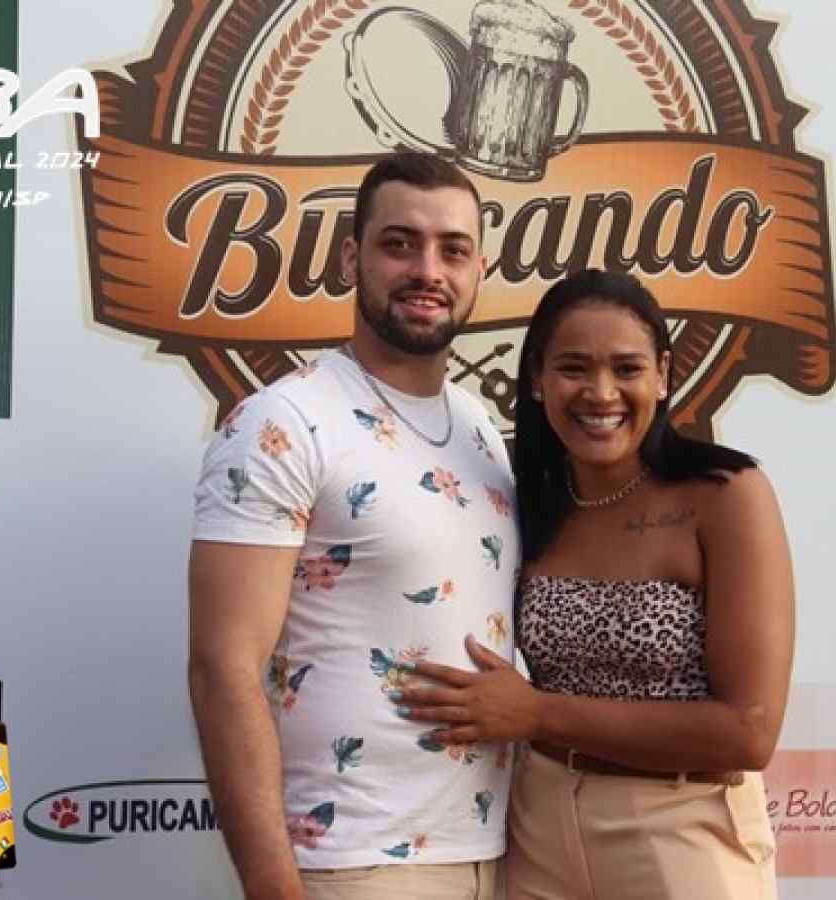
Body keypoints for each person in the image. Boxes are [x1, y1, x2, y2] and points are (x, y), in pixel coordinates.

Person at [395, 269, 793, 899]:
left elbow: (749, 732)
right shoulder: (526, 502)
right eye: (573, 368)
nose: (601, 393)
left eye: (627, 368)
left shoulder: (726, 495)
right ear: (537, 379)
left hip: (681, 827)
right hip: (538, 829)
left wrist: (536, 712)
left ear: (663, 375)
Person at [188, 152, 519, 900]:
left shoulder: (478, 427)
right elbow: (222, 669)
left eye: (453, 250)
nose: (427, 270)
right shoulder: (283, 422)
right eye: (399, 244)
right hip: (352, 863)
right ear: (350, 258)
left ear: (478, 270)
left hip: (494, 852)